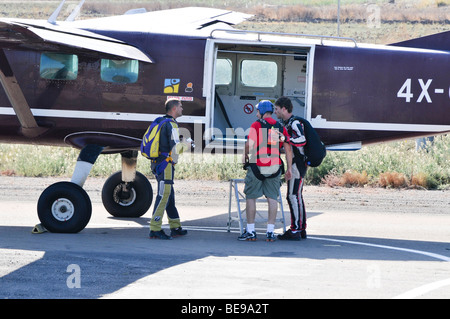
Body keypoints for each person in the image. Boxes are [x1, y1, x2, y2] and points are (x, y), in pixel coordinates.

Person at [238, 100, 292, 242]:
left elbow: (249, 144)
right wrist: (289, 168)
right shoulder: (279, 126)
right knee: (272, 198)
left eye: (257, 111)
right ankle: (270, 232)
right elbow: (287, 149)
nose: (256, 114)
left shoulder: (256, 125)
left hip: (257, 165)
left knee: (251, 197)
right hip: (274, 166)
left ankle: (250, 231)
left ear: (262, 112)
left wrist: (244, 155)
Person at [148, 98, 191, 240]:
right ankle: (155, 228)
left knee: (169, 194)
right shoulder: (172, 125)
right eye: (180, 106)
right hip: (165, 164)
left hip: (158, 162)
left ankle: (175, 227)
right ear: (174, 109)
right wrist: (187, 144)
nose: (182, 109)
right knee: (164, 194)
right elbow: (176, 148)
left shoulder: (161, 121)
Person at [274, 96, 308, 240]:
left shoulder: (294, 123)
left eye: (276, 109)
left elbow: (302, 140)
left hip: (297, 164)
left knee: (293, 196)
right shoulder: (288, 123)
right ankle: (301, 228)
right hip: (297, 164)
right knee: (296, 196)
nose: (275, 112)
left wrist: (286, 139)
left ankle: (295, 229)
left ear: (284, 108)